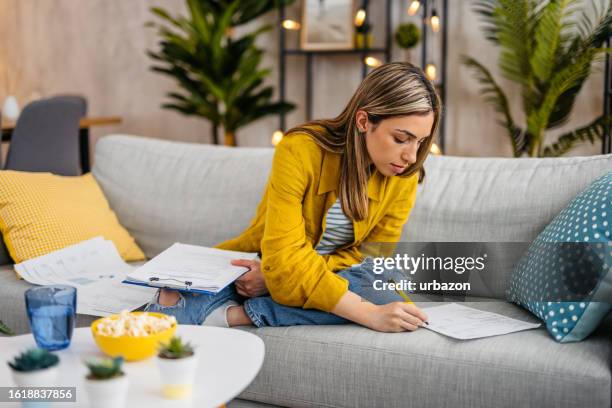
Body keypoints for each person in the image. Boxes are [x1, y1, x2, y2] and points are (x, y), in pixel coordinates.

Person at [144, 62, 441, 332]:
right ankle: (200, 305)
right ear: (364, 122)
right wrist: (370, 315)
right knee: (173, 295)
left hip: (314, 272)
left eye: (421, 142)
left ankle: (238, 316)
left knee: (386, 281)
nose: (411, 155)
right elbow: (283, 255)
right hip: (259, 262)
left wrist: (275, 280)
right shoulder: (299, 149)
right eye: (401, 139)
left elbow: (369, 257)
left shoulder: (405, 174)